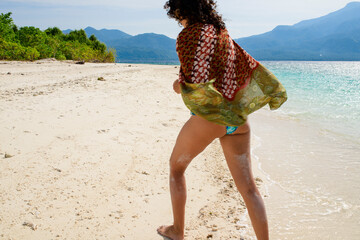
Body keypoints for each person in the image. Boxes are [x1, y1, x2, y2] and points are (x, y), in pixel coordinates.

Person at [158, 1, 287, 239]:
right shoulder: (220, 32)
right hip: (238, 120)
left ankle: (177, 230)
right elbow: (239, 68)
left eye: (177, 16)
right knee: (249, 189)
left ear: (180, 10)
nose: (178, 20)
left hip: (209, 119)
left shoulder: (189, 35)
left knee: (176, 169)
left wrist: (178, 86)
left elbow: (194, 83)